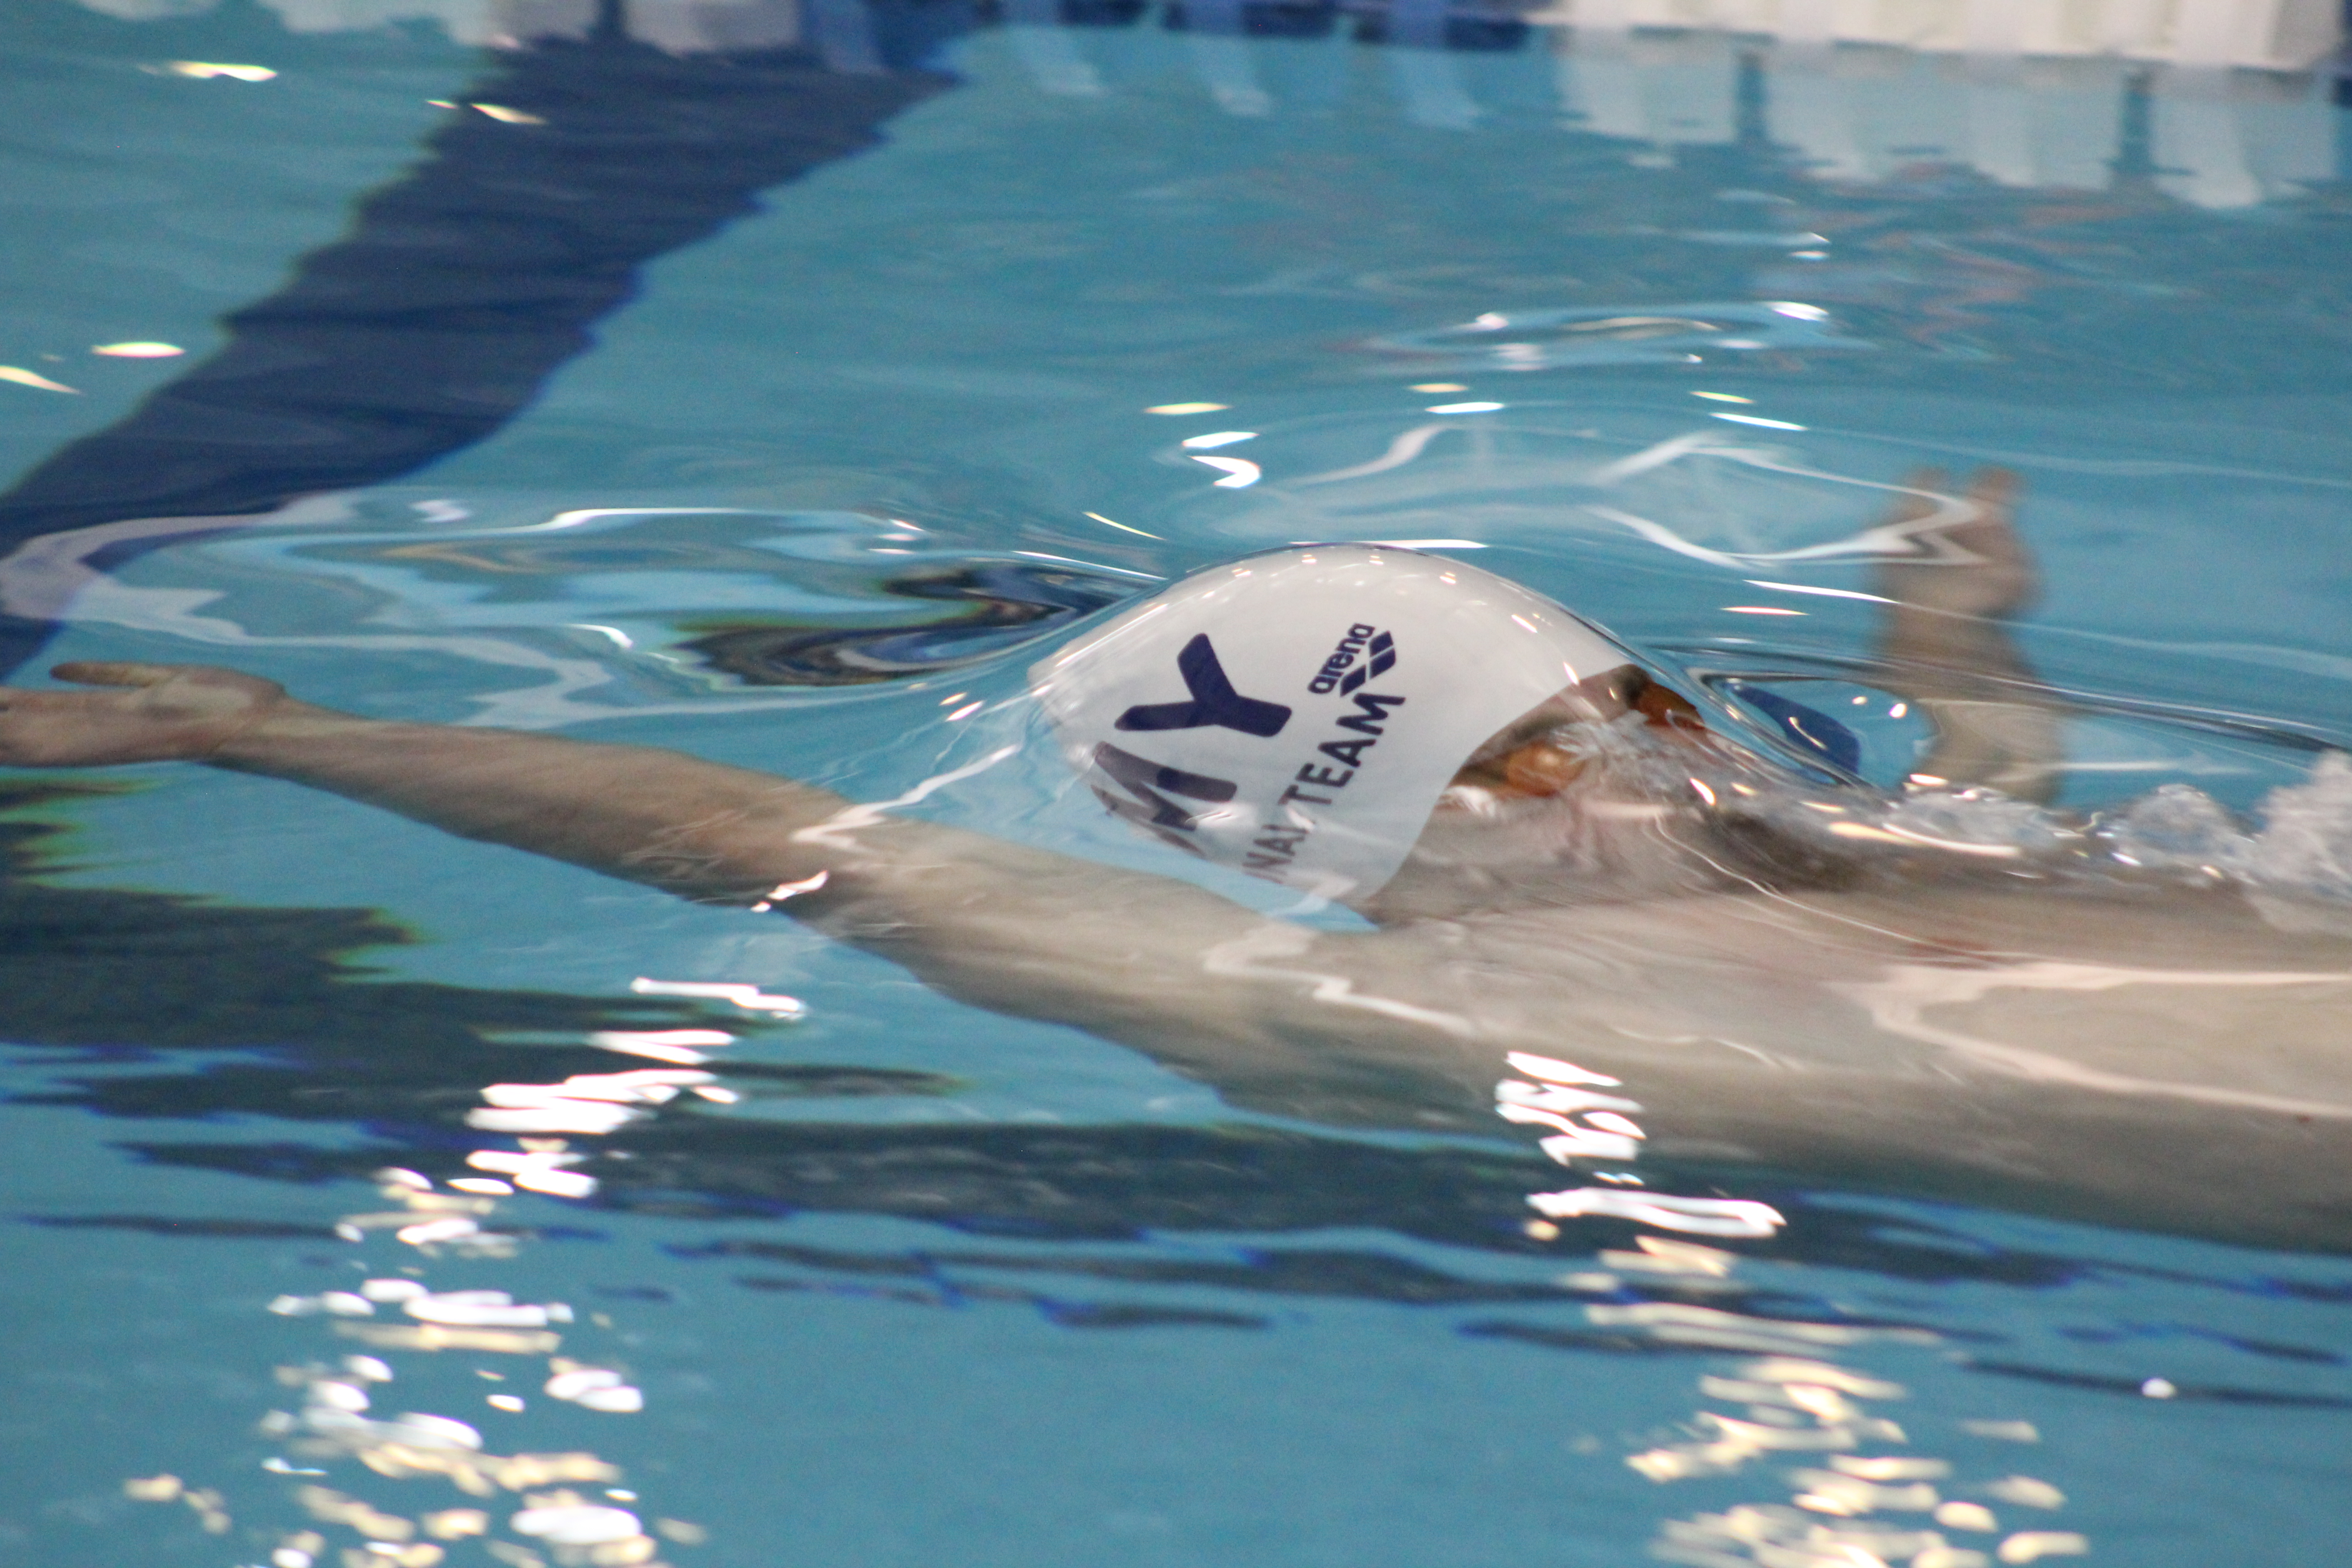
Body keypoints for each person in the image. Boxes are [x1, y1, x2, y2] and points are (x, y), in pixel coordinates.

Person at [3, 472, 2349, 1251]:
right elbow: (781, 841)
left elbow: (2005, 771)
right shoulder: (1453, 1018)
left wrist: (1948, 618)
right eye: (1550, 763)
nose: (1668, 761)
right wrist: (285, 737)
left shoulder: (1846, 846)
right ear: (1392, 870)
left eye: (1629, 703)